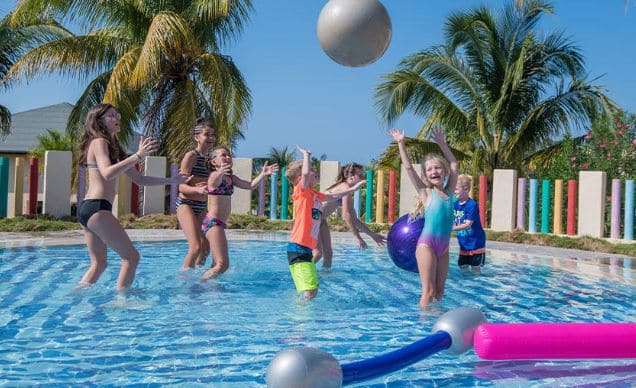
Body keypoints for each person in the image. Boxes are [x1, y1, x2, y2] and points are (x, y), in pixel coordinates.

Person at [76, 103, 190, 291]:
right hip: (97, 208)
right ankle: (122, 301)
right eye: (111, 115)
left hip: (89, 209)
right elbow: (107, 173)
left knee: (99, 265)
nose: (117, 118)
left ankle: (76, 297)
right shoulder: (99, 142)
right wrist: (138, 155)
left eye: (117, 114)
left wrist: (172, 180)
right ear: (99, 121)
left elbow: (140, 179)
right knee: (131, 257)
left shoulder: (113, 147)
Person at [388, 126, 458, 308]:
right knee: (428, 290)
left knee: (440, 291)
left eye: (437, 168)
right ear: (426, 175)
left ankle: (433, 319)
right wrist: (401, 144)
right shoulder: (426, 193)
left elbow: (454, 165)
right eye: (429, 170)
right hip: (426, 245)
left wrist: (442, 144)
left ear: (444, 171)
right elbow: (409, 168)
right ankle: (422, 327)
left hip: (443, 247)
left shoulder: (450, 192)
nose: (434, 171)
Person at [285, 146, 367, 300]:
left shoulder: (314, 194)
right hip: (298, 247)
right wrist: (306, 156)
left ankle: (301, 314)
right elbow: (304, 174)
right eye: (311, 171)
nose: (314, 173)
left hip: (304, 249)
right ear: (300, 180)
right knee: (311, 291)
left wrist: (354, 188)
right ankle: (301, 319)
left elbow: (334, 195)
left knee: (310, 290)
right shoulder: (301, 192)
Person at [201, 146, 279, 280]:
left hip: (219, 224)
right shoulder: (214, 175)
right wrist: (220, 171)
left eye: (229, 155)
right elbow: (212, 183)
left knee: (216, 264)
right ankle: (198, 285)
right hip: (213, 223)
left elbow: (250, 185)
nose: (227, 157)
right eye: (223, 155)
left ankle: (210, 288)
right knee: (222, 265)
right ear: (214, 162)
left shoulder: (231, 177)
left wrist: (262, 174)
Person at [312, 162, 386, 268]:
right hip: (312, 219)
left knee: (328, 254)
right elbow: (346, 215)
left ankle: (325, 277)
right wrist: (357, 236)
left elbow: (354, 219)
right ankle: (299, 273)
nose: (363, 179)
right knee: (318, 254)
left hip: (321, 220)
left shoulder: (347, 191)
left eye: (363, 175)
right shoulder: (344, 187)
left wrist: (372, 235)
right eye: (360, 176)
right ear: (351, 177)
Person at [177, 118, 216, 270]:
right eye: (207, 134)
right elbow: (181, 187)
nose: (211, 138)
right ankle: (183, 279)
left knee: (205, 249)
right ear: (197, 137)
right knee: (195, 248)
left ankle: (196, 276)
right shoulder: (191, 156)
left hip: (202, 205)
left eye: (213, 135)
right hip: (186, 204)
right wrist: (197, 190)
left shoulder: (210, 160)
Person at [452, 174, 486, 272]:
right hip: (464, 243)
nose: (454, 191)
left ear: (466, 189)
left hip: (476, 243)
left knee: (475, 268)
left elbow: (468, 225)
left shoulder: (472, 205)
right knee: (462, 267)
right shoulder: (454, 204)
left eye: (456, 189)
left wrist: (450, 229)